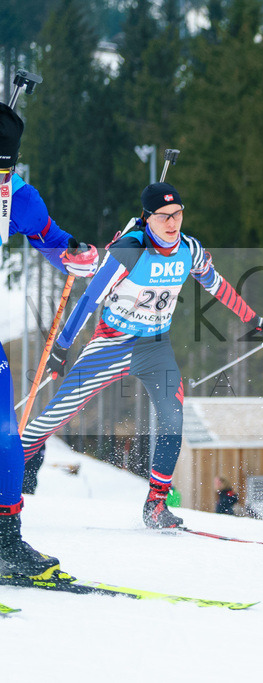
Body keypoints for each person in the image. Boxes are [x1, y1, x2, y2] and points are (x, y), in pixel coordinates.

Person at [19, 182, 263, 530]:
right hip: (112, 344)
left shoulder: (189, 249)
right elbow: (88, 300)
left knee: (173, 421)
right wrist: (61, 347)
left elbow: (216, 285)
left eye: (177, 214)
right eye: (163, 216)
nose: (172, 222)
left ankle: (156, 505)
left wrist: (255, 320)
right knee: (52, 419)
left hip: (155, 347)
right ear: (147, 218)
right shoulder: (130, 249)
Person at [1, 102, 99, 578]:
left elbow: (52, 240)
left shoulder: (18, 197)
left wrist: (75, 256)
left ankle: (4, 541)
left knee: (5, 435)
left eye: (5, 167)